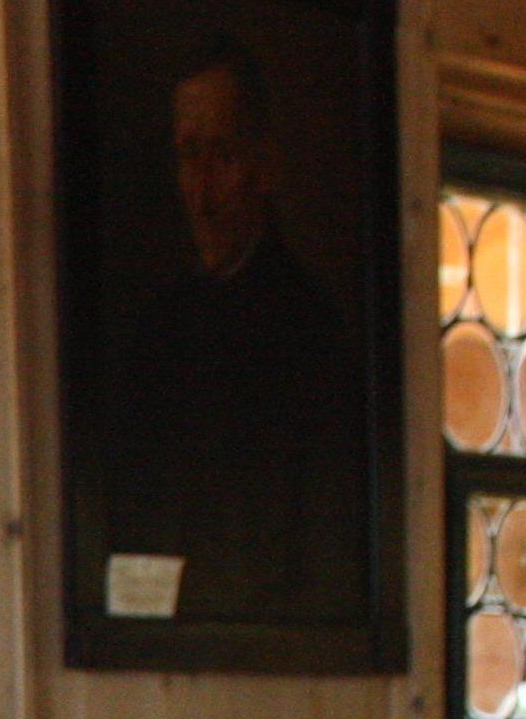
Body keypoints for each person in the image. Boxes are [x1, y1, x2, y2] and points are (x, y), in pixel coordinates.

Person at [104, 35, 370, 627]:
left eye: (221, 158)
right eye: (187, 156)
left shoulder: (311, 339)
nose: (200, 193)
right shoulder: (155, 332)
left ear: (264, 168)